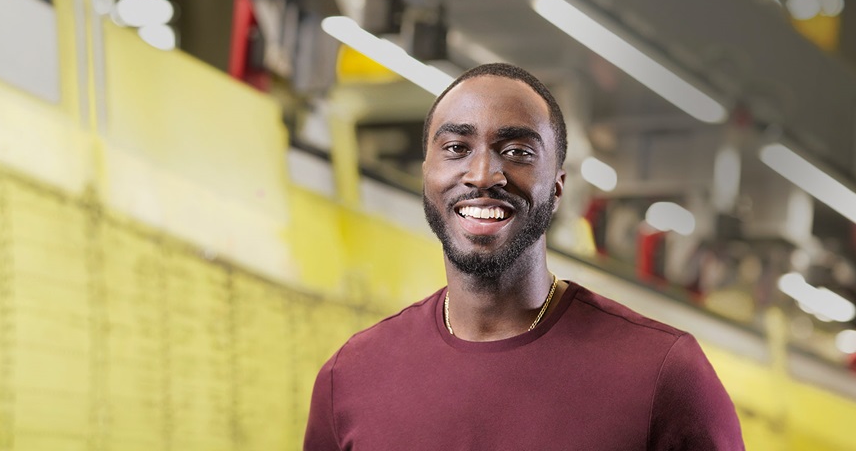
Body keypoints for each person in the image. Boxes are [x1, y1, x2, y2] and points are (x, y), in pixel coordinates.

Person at [304, 63, 745, 450]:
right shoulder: (351, 377)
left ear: (556, 185)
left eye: (517, 152)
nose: (481, 175)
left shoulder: (663, 374)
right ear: (427, 174)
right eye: (456, 148)